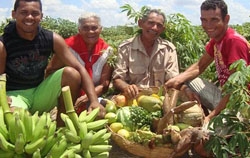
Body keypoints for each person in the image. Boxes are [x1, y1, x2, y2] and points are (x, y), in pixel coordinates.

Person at [0, 0, 105, 126]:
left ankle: (62, 129)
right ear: (14, 14)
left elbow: (79, 68)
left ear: (41, 16)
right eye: (24, 12)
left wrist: (94, 101)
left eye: (35, 13)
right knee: (17, 120)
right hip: (15, 96)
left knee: (72, 73)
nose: (29, 17)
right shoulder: (4, 43)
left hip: (40, 92)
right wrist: (3, 100)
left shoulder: (51, 38)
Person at [165, 0, 250, 125]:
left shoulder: (233, 41)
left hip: (241, 102)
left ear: (226, 19)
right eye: (204, 20)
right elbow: (200, 65)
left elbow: (235, 89)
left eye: (214, 20)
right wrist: (177, 80)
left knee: (216, 133)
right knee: (188, 79)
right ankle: (201, 111)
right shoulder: (216, 39)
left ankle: (230, 120)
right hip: (225, 95)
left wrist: (211, 116)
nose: (208, 25)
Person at [112, 9, 179, 101]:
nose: (154, 28)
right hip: (133, 99)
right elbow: (117, 79)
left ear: (163, 29)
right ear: (140, 23)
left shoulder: (168, 49)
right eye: (150, 23)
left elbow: (173, 80)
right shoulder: (126, 48)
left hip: (159, 100)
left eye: (159, 25)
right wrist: (126, 87)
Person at [65, 12, 113, 114]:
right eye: (85, 28)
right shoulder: (67, 47)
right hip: (67, 98)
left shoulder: (107, 51)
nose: (90, 32)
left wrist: (87, 97)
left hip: (93, 98)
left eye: (94, 28)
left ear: (100, 29)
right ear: (79, 30)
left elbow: (104, 84)